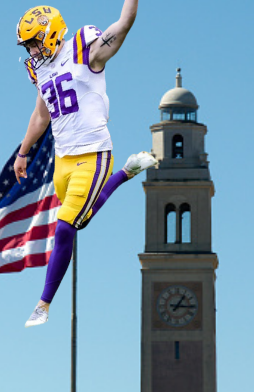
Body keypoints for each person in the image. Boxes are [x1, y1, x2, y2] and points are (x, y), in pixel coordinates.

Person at [14, 2, 157, 327]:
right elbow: (41, 115)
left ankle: (43, 304)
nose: (32, 50)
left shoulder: (84, 50)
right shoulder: (44, 70)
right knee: (81, 218)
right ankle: (127, 173)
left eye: (34, 42)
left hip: (94, 155)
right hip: (63, 162)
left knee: (65, 227)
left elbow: (124, 22)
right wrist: (23, 153)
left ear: (50, 34)